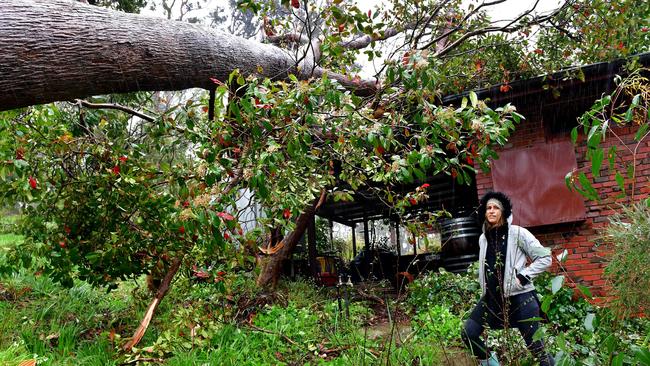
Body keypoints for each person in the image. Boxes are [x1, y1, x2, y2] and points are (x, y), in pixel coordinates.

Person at [461, 191, 554, 366]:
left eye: (496, 207)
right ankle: (493, 364)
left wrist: (522, 277)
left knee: (539, 353)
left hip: (521, 300)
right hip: (492, 299)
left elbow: (545, 257)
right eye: (488, 208)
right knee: (469, 333)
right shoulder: (483, 238)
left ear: (503, 211)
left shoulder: (518, 233)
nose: (491, 211)